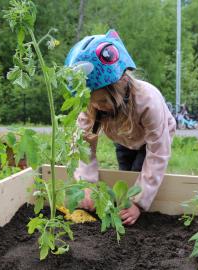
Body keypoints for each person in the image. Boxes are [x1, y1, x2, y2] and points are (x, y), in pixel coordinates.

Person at [65, 29, 176, 225]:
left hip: (153, 139)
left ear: (118, 86)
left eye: (101, 102)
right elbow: (83, 145)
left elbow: (158, 153)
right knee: (126, 177)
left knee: (138, 180)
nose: (97, 107)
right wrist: (86, 184)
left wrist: (138, 203)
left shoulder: (148, 101)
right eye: (92, 103)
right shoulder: (92, 104)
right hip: (123, 138)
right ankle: (126, 206)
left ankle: (136, 210)